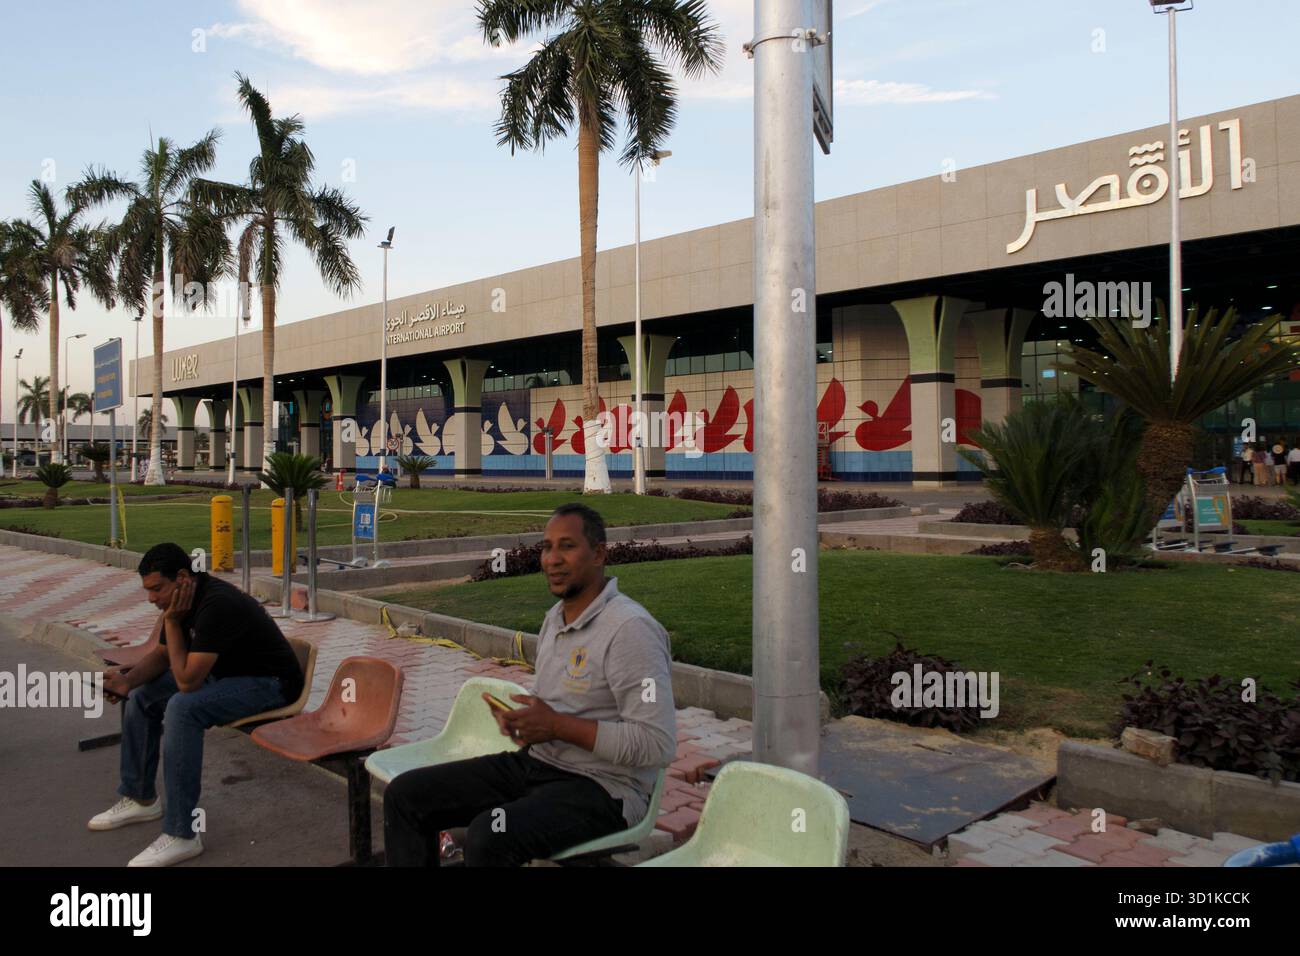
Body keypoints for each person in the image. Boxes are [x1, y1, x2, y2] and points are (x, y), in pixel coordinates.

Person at [382, 503, 676, 866]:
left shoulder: (630, 630)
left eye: (566, 546)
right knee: (406, 795)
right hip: (537, 764)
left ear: (599, 553)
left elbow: (656, 745)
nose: (552, 559)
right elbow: (560, 709)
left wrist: (558, 726)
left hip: (603, 789)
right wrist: (526, 725)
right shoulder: (555, 619)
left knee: (492, 833)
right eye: (547, 546)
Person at [90, 542, 304, 867]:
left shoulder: (216, 604)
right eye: (147, 590)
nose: (151, 598)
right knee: (142, 695)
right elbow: (164, 656)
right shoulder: (181, 599)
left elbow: (187, 682)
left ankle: (182, 833)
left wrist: (173, 623)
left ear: (181, 577)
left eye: (157, 589)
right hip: (225, 676)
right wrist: (127, 681)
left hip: (271, 684)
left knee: (182, 708)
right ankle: (140, 796)